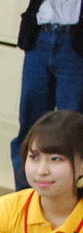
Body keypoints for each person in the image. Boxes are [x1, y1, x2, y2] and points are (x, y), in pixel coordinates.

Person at [11, 0, 83, 188]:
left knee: (72, 128)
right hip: (40, 34)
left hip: (75, 40)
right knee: (29, 127)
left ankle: (69, 195)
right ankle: (25, 194)